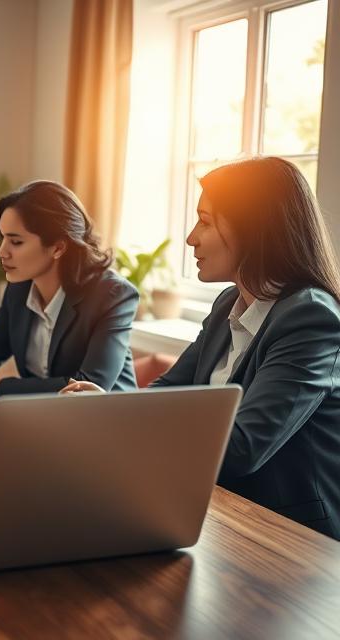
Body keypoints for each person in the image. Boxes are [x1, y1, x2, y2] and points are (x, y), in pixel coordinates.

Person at [62, 157, 340, 540]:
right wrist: (107, 406)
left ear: (254, 230)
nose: (191, 237)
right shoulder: (229, 303)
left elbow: (242, 447)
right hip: (217, 513)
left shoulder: (310, 318)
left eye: (206, 221)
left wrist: (121, 422)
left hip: (288, 538)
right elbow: (170, 390)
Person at [0, 180, 138, 403]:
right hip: (47, 421)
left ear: (58, 247)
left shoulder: (112, 295)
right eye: (3, 238)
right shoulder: (19, 288)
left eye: (16, 242)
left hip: (110, 426)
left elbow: (87, 387)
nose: (2, 252)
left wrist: (5, 386)